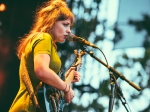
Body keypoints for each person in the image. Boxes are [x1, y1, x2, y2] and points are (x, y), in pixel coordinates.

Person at [9, 0, 81, 111]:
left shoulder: (46, 42)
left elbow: (44, 87)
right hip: (28, 107)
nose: (69, 31)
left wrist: (66, 79)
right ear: (51, 21)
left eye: (70, 26)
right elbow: (42, 71)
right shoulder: (44, 38)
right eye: (65, 25)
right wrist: (66, 88)